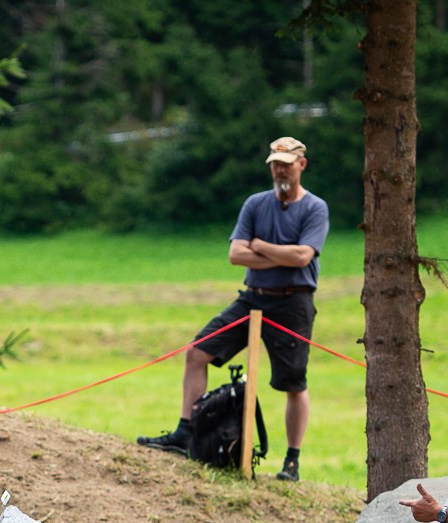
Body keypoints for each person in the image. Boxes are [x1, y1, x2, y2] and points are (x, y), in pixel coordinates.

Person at [138, 136, 328, 482]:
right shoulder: (255, 205)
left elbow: (303, 257)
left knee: (293, 382)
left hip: (293, 303)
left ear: (301, 164)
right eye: (274, 163)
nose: (278, 169)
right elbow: (235, 255)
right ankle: (184, 433)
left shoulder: (315, 208)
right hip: (252, 296)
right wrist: (279, 255)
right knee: (197, 352)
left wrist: (259, 246)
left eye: (285, 163)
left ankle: (292, 461)